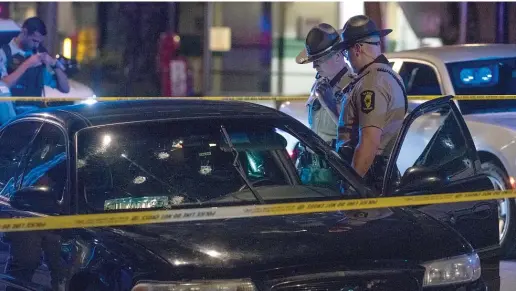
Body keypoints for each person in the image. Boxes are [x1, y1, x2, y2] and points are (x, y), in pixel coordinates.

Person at [336, 15, 408, 192]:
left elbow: (369, 141)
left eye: (346, 52)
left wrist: (351, 187)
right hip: (378, 173)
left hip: (368, 178)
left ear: (358, 48)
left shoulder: (371, 83)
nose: (346, 58)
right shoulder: (389, 76)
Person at [296, 23, 355, 144]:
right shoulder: (318, 84)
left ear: (338, 55)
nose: (314, 66)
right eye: (313, 60)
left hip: (334, 160)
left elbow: (356, 135)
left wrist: (331, 105)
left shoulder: (354, 86)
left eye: (319, 60)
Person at [0, 16, 70, 114]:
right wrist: (28, 63)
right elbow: (3, 86)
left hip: (34, 116)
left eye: (39, 42)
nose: (36, 45)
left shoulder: (38, 56)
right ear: (24, 32)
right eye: (34, 41)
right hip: (10, 117)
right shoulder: (4, 53)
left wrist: (54, 64)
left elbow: (65, 88)